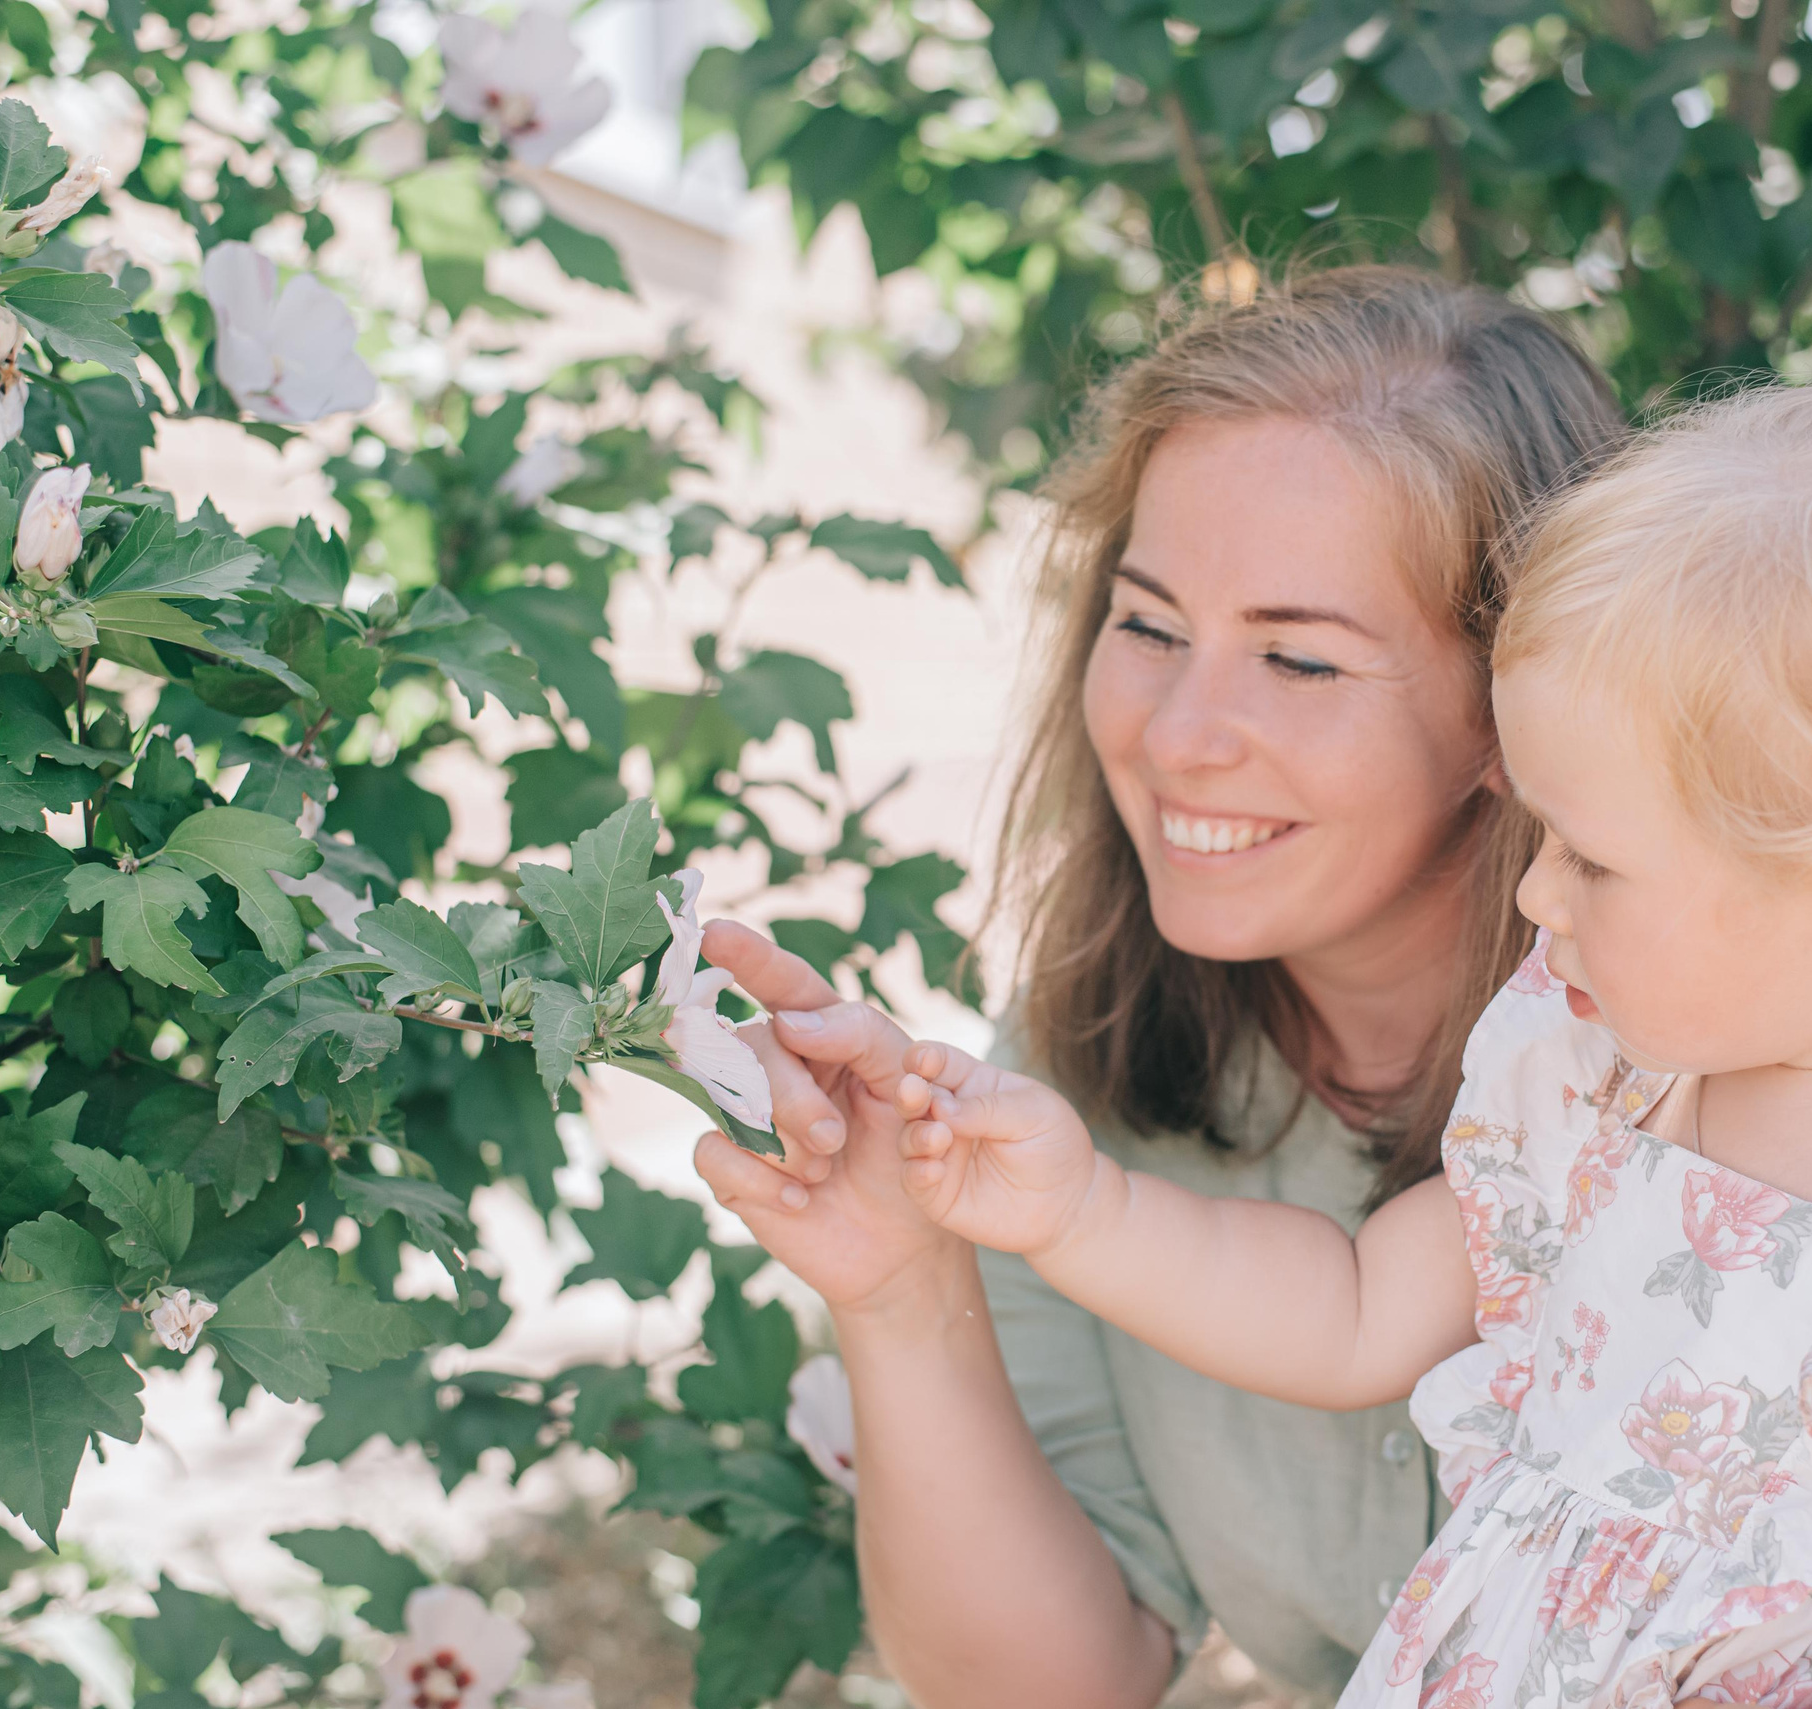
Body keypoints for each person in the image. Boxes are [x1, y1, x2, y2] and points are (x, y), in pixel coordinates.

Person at [777, 382, 1812, 1707]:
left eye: (1595, 859)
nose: (1536, 893)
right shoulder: (1597, 1084)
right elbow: (1348, 1312)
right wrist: (1073, 1206)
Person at [692, 265, 1630, 1705]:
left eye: (1300, 659)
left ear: (1524, 700)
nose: (1183, 735)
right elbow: (1048, 1686)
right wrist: (898, 1287)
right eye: (1147, 625)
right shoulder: (1079, 1076)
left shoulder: (1700, 1064)